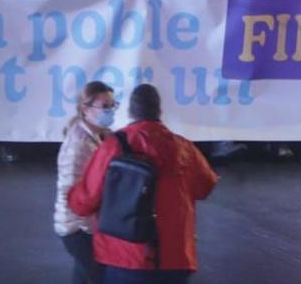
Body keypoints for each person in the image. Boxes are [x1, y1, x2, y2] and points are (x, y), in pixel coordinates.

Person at [65, 82, 219, 283]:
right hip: (174, 256)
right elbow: (205, 187)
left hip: (124, 255)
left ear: (130, 112)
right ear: (160, 111)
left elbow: (82, 203)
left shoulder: (113, 147)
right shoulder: (184, 148)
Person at [54, 80, 117, 283]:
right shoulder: (79, 144)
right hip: (77, 228)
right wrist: (89, 228)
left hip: (87, 224)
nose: (110, 111)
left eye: (112, 106)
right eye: (104, 107)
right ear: (85, 108)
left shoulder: (99, 137)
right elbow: (70, 191)